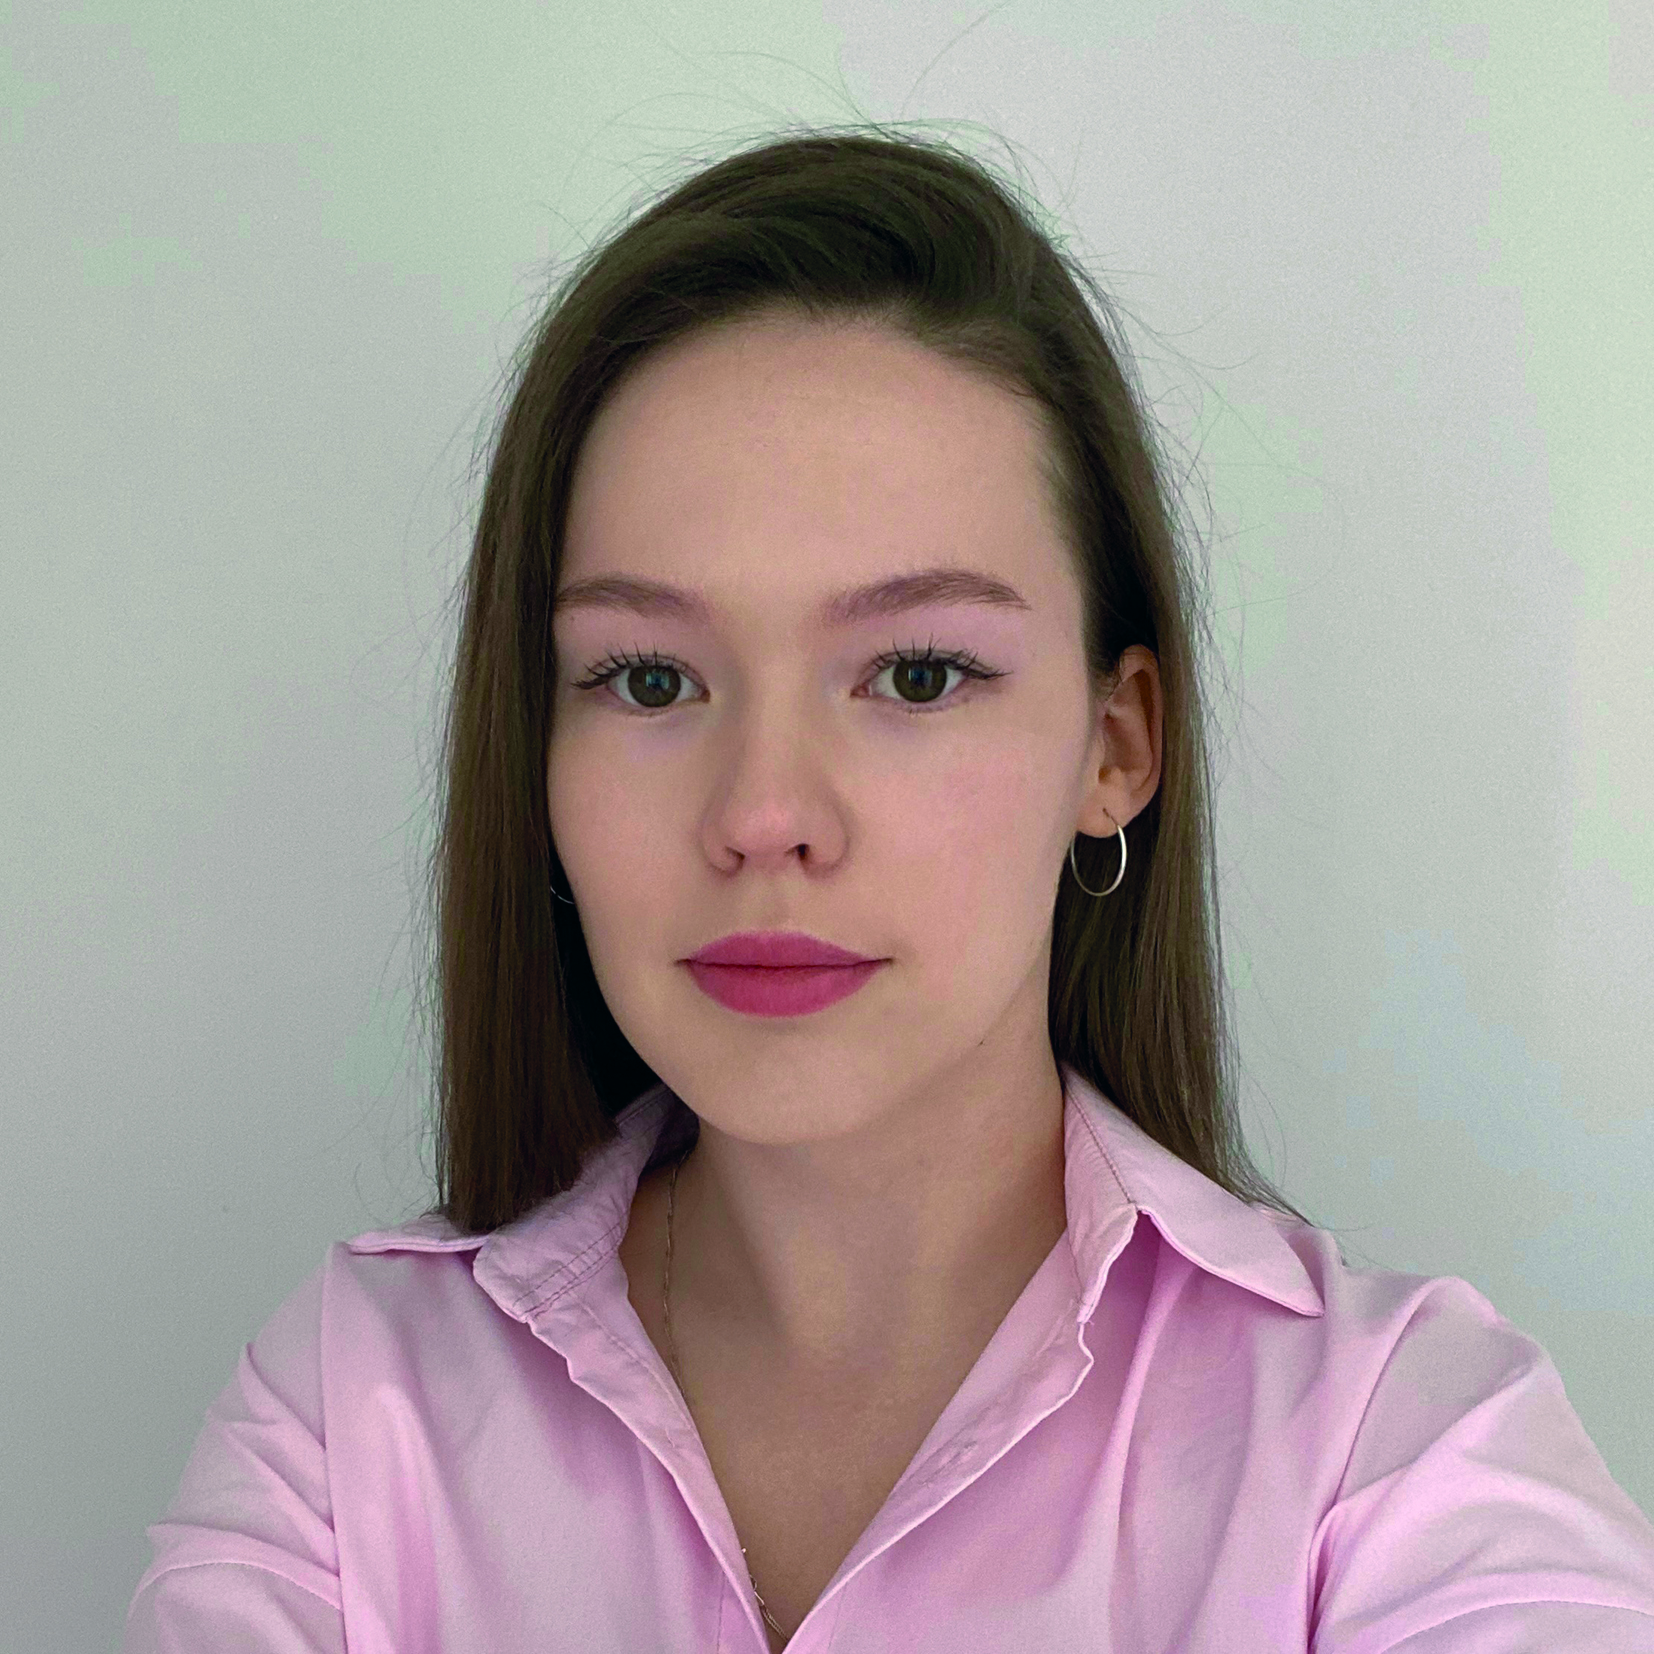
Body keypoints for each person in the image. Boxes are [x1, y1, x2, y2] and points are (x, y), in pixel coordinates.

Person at [123, 126, 1654, 1653]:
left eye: (916, 674)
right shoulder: (347, 1417)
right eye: (648, 678)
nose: (762, 814)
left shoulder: (1404, 1456)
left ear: (1114, 746)